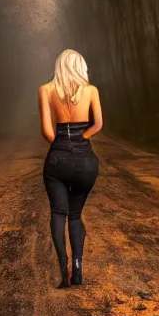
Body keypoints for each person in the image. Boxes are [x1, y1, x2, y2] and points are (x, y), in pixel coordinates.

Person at [38, 49, 103, 288]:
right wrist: (81, 138)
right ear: (80, 67)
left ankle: (62, 267)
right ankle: (78, 269)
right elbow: (98, 124)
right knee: (75, 215)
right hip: (86, 161)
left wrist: (62, 146)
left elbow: (47, 131)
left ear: (58, 66)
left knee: (58, 213)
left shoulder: (46, 90)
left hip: (58, 158)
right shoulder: (91, 91)